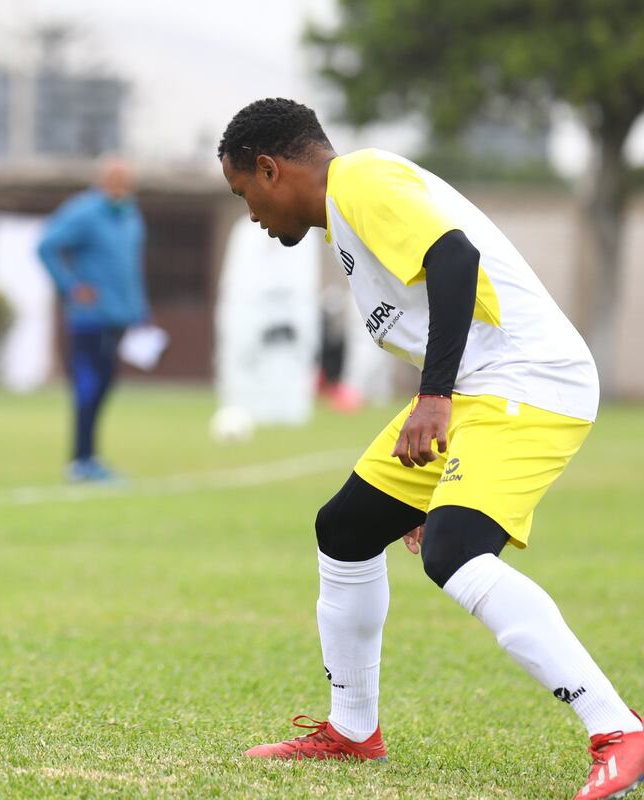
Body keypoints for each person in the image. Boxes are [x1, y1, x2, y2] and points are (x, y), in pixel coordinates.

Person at [218, 98, 641, 800]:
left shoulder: (360, 182)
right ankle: (353, 730)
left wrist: (435, 395)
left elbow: (454, 258)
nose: (253, 217)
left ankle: (618, 727)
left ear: (270, 168)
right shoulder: (346, 218)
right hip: (478, 387)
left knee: (454, 552)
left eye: (245, 195)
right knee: (347, 529)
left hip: (526, 383)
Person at [37, 157, 149, 482]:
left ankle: (90, 457)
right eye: (115, 181)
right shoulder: (84, 212)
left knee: (104, 387)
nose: (121, 188)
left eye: (126, 182)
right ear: (102, 181)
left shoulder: (131, 216)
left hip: (120, 317)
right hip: (89, 318)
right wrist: (71, 286)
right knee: (87, 388)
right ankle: (80, 461)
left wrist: (141, 312)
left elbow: (132, 269)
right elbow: (46, 246)